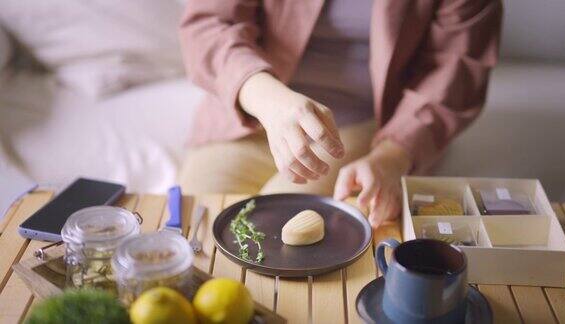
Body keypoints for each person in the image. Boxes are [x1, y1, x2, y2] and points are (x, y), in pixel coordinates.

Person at [178, 0, 502, 227]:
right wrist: (269, 101)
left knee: (276, 235)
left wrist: (393, 156)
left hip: (363, 126)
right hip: (250, 108)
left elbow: (456, 66)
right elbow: (209, 24)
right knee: (193, 233)